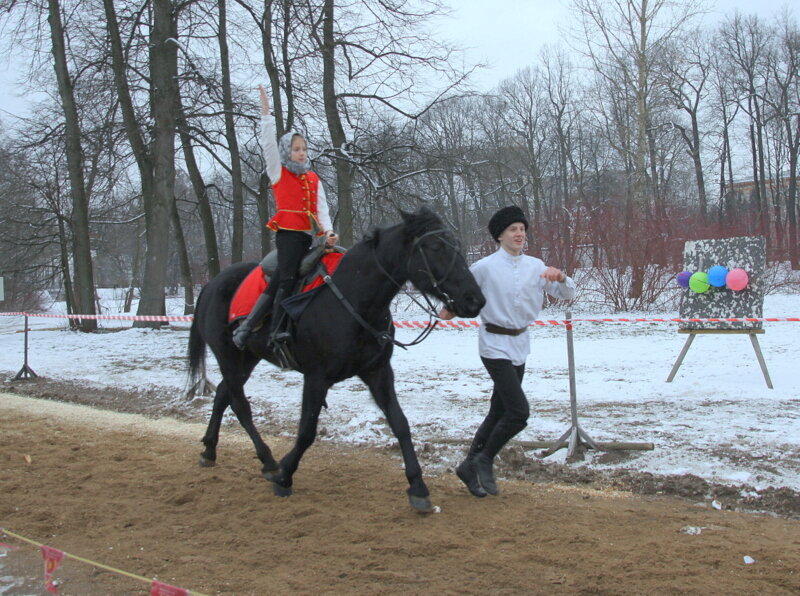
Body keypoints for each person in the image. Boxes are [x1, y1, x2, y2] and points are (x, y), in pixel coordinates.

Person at [439, 205, 576, 497]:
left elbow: (567, 294)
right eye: (513, 229)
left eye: (522, 229)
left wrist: (561, 278)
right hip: (493, 344)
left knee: (498, 411)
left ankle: (467, 467)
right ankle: (485, 458)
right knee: (518, 412)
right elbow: (462, 293)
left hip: (520, 344)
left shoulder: (536, 266)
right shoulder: (484, 267)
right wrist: (450, 307)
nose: (519, 234)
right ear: (499, 235)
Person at [233, 85, 338, 350]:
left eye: (303, 148)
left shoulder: (313, 178)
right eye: (295, 149)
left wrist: (328, 232)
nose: (301, 153)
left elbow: (321, 210)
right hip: (289, 236)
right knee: (287, 277)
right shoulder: (278, 172)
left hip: (308, 237)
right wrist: (266, 114)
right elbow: (268, 144)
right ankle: (273, 329)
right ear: (286, 153)